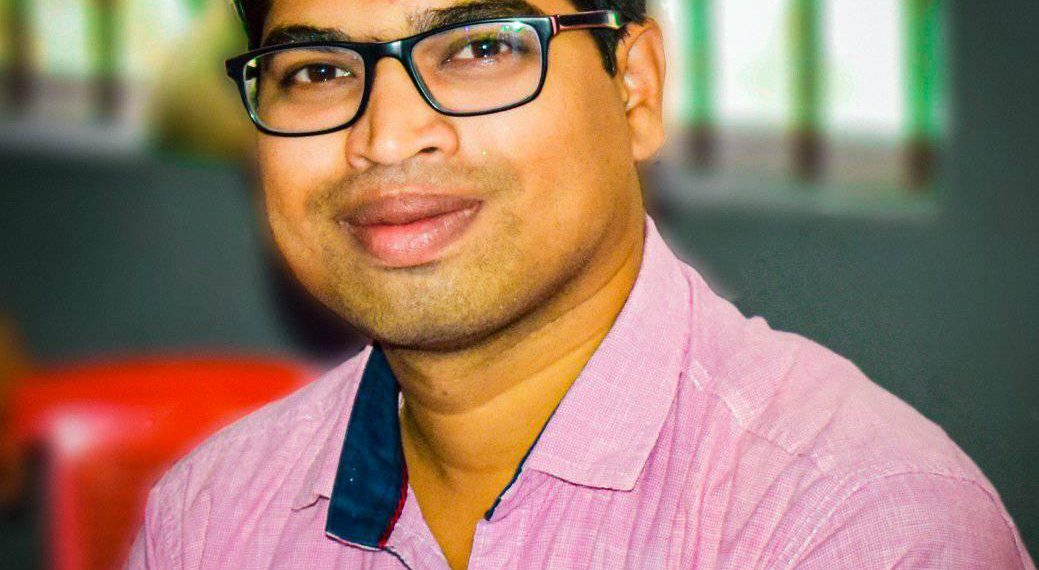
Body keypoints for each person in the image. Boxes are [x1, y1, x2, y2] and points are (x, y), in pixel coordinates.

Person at [127, 0, 1035, 568]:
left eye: (479, 48)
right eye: (319, 71)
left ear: (633, 88)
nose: (388, 137)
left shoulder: (854, 526)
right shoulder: (212, 518)